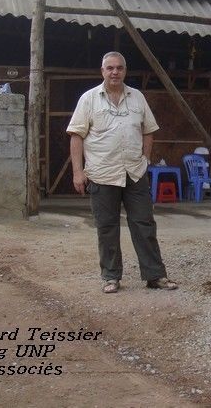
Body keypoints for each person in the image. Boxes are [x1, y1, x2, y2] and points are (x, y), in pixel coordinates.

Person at [67, 51, 177, 294]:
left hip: (134, 173)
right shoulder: (89, 99)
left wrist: (146, 158)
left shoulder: (137, 97)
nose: (115, 72)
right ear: (102, 71)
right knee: (107, 227)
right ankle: (111, 277)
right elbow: (76, 136)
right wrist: (77, 172)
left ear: (125, 71)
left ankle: (155, 275)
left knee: (144, 224)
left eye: (119, 68)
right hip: (102, 173)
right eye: (110, 68)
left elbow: (148, 129)